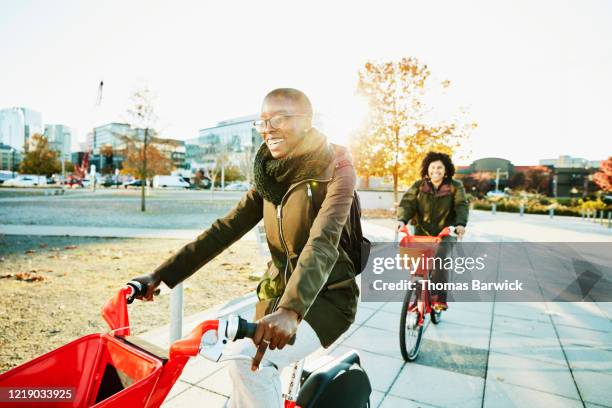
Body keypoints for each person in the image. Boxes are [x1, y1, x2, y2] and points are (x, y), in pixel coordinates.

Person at [130, 88, 359, 407]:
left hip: (329, 296)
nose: (268, 128)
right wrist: (162, 275)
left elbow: (324, 240)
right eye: (263, 121)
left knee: (249, 363)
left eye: (279, 118)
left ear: (306, 122)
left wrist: (291, 310)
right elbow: (225, 229)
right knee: (242, 366)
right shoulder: (268, 176)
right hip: (276, 294)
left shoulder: (336, 169)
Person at [397, 151, 468, 311]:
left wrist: (460, 224)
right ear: (427, 169)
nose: (436, 170)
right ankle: (417, 298)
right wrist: (402, 220)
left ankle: (438, 298)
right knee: (418, 265)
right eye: (432, 167)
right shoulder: (419, 185)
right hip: (422, 232)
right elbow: (407, 203)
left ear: (446, 170)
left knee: (439, 259)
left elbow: (461, 205)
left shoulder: (455, 186)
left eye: (440, 167)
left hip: (446, 233)